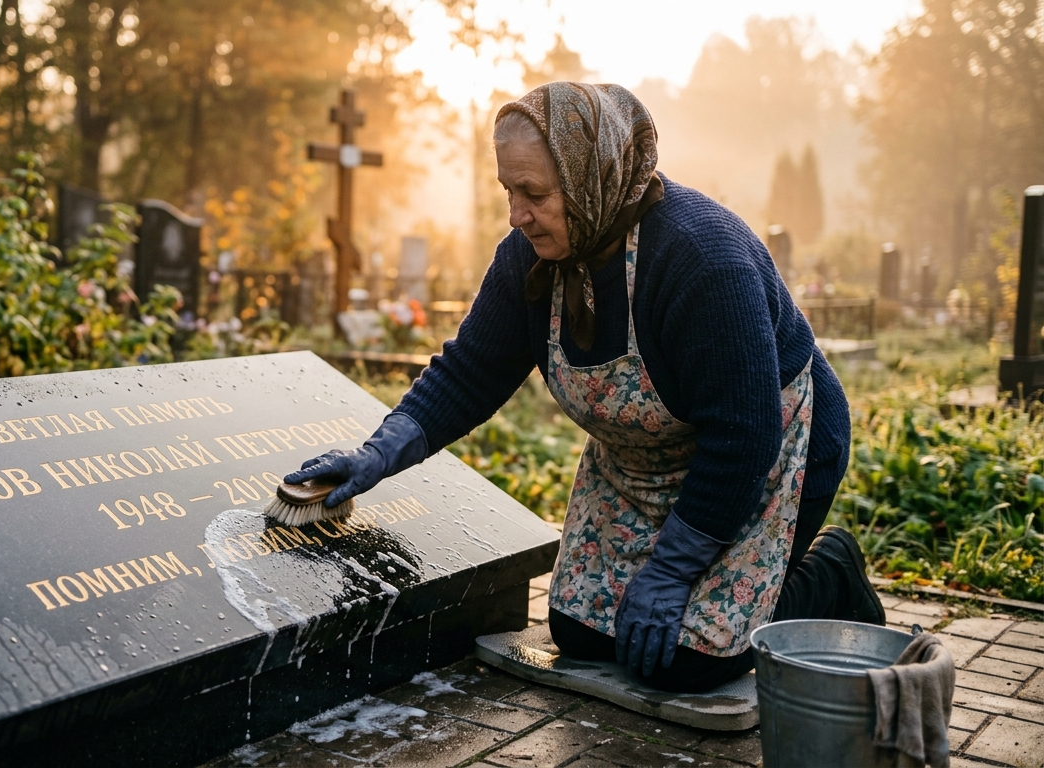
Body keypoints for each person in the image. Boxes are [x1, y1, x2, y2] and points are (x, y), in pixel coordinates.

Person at [285, 82, 884, 694]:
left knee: (687, 662)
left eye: (535, 194)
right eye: (509, 192)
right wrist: (378, 453)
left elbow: (744, 434)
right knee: (584, 633)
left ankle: (829, 571)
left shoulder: (702, 259)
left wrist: (674, 571)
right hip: (644, 465)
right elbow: (470, 369)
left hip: (769, 454)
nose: (517, 215)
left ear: (591, 176)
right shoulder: (528, 256)